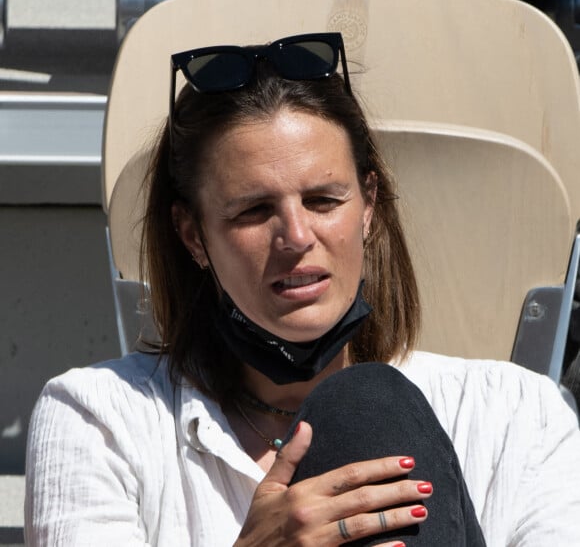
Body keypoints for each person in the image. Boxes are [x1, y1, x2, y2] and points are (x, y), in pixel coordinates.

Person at [24, 33, 580, 546]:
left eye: (323, 201)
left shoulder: (518, 414)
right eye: (254, 210)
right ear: (193, 235)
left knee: (368, 408)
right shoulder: (99, 419)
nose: (295, 237)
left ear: (368, 208)